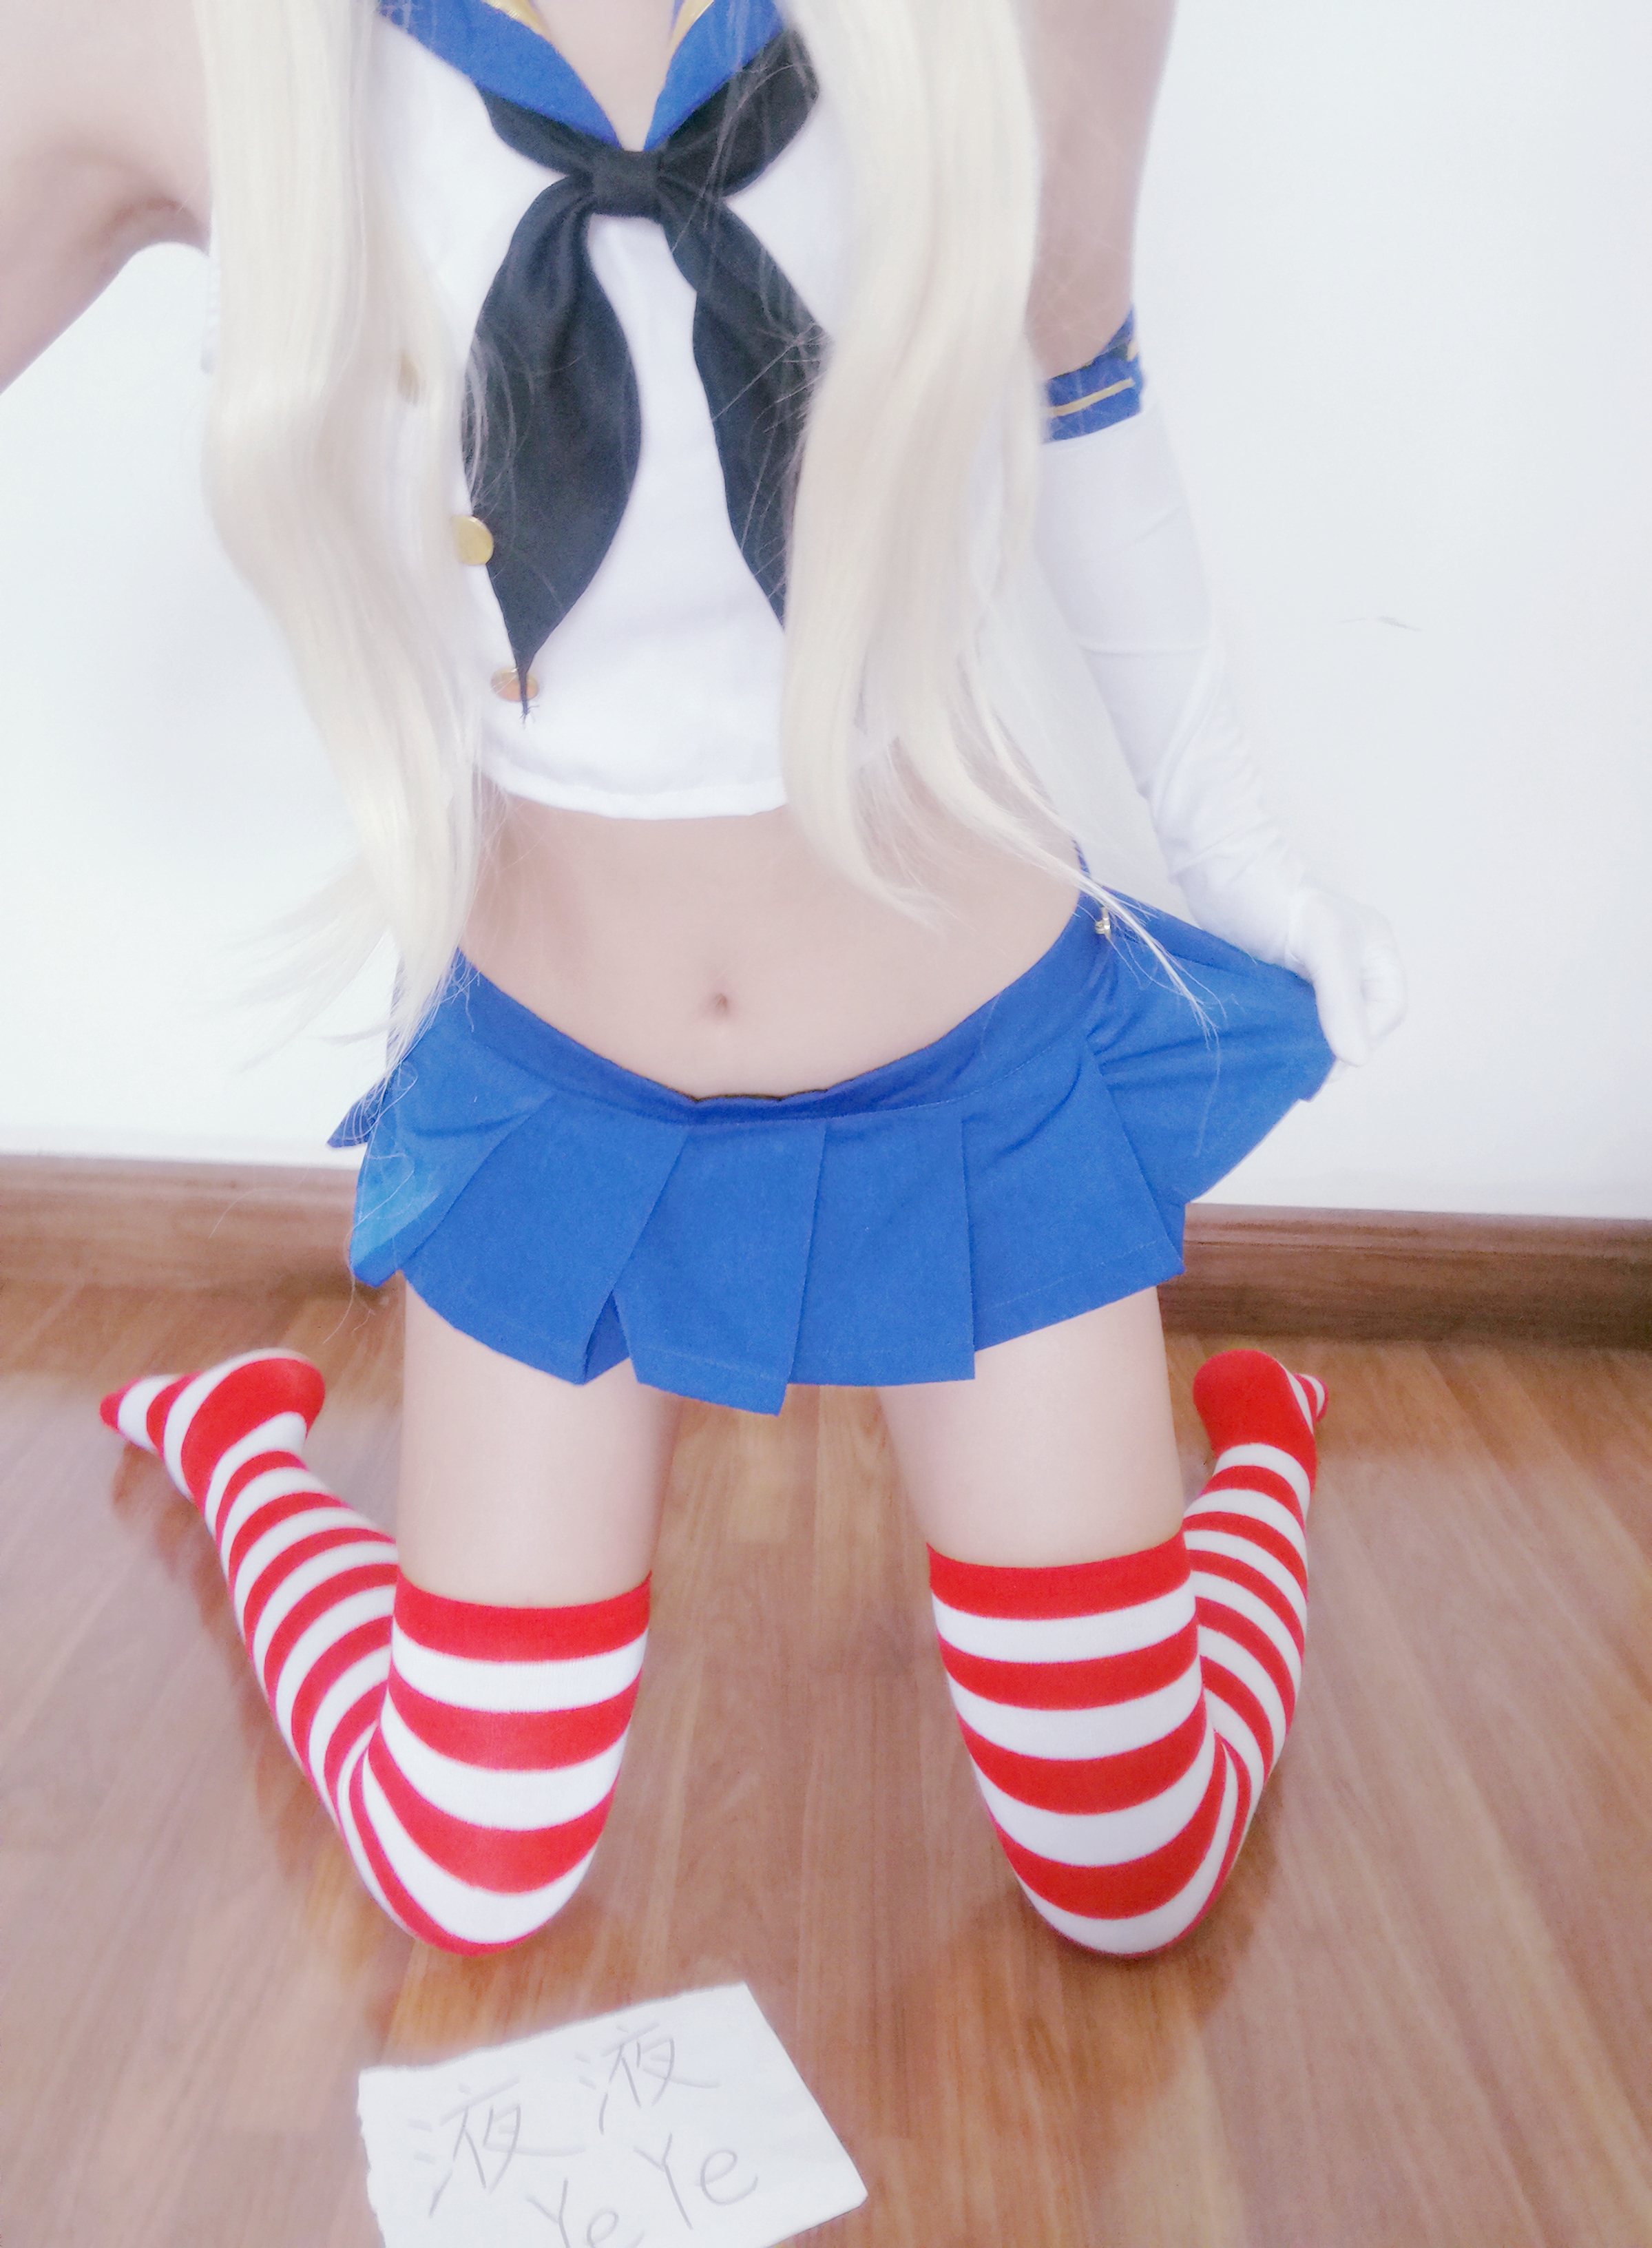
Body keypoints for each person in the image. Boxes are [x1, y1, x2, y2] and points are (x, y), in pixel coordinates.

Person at [8, 0, 1403, 1957]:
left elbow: (1081, 368)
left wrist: (1237, 844)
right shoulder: (200, 43)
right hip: (560, 1092)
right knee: (469, 1857)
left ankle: (1265, 1455)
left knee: (1134, 1866)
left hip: (971, 1076)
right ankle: (248, 1450)